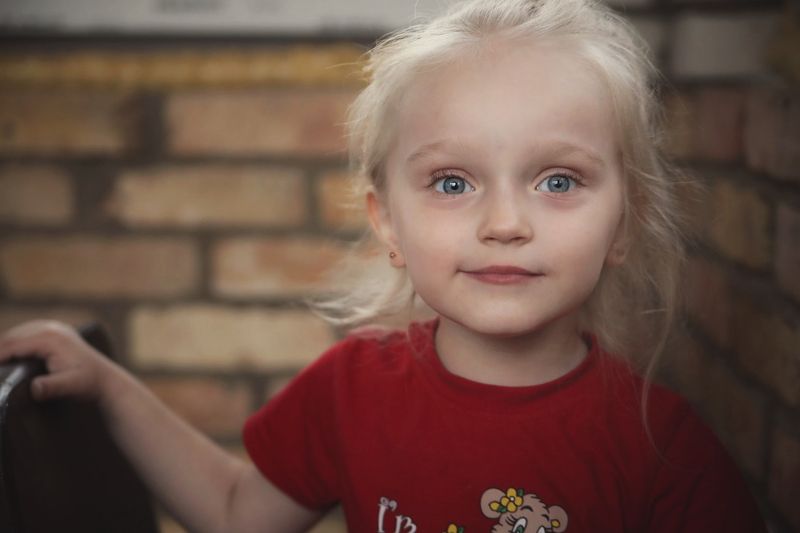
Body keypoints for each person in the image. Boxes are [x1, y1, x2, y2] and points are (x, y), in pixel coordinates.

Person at [0, 0, 767, 531]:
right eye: (453, 183)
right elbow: (235, 511)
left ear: (623, 222)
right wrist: (109, 385)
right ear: (388, 222)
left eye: (558, 180)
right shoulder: (351, 389)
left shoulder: (666, 451)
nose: (505, 223)